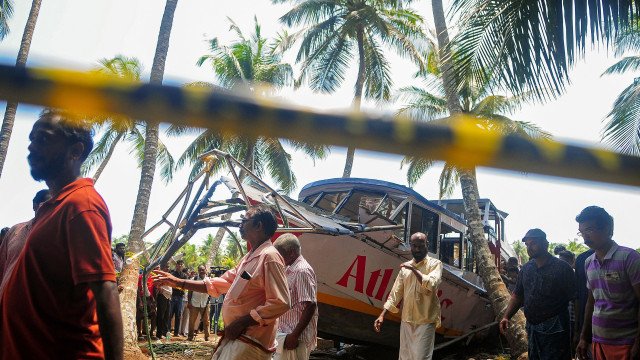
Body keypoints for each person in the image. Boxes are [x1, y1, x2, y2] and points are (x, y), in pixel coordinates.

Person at [0, 110, 123, 359]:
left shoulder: (81, 205)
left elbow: (106, 291)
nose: (32, 147)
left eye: (43, 139)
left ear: (75, 151)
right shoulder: (52, 208)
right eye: (31, 139)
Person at [153, 205, 290, 360]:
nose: (240, 224)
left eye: (244, 220)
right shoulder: (249, 258)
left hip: (250, 341)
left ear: (258, 225)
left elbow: (281, 302)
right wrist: (177, 282)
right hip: (239, 339)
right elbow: (221, 282)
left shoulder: (270, 257)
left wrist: (240, 324)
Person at [575, 206, 640, 360]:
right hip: (599, 341)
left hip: (627, 342)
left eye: (589, 230)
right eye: (581, 232)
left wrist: (638, 342)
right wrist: (584, 337)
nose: (585, 238)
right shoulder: (588, 262)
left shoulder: (630, 258)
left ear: (607, 228)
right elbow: (591, 303)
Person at [500, 228, 575, 360]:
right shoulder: (526, 269)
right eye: (527, 244)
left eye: (533, 243)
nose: (529, 247)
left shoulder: (563, 268)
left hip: (556, 329)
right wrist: (506, 316)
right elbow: (517, 295)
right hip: (532, 327)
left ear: (546, 244)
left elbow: (576, 299)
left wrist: (579, 331)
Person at [374, 232, 443, 360]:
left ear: (427, 245)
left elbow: (432, 284)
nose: (417, 249)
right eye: (414, 246)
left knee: (421, 358)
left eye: (421, 246)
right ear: (410, 246)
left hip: (426, 321)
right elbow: (395, 293)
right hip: (407, 321)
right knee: (405, 357)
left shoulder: (435, 264)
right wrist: (382, 315)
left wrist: (413, 269)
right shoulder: (405, 268)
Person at [273, 233, 318, 360]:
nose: (277, 258)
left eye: (279, 254)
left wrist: (294, 335)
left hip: (296, 337)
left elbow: (310, 305)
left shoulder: (301, 270)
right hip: (286, 334)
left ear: (291, 253)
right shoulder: (289, 268)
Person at [0, 189, 51, 297]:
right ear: (35, 206)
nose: (49, 209)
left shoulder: (58, 238)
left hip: (34, 307)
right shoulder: (15, 230)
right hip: (5, 301)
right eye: (46, 204)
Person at [574, 247, 595, 350]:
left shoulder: (628, 258)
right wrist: (578, 329)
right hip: (586, 321)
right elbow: (577, 295)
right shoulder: (583, 259)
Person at [188, 265, 211, 341]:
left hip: (205, 303)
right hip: (195, 302)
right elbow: (190, 291)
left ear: (205, 270)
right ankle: (190, 336)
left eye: (203, 269)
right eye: (200, 270)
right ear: (198, 271)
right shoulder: (193, 279)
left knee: (206, 321)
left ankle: (207, 337)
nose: (201, 271)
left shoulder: (209, 280)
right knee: (192, 321)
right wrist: (189, 302)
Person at [170, 259, 188, 336]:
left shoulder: (184, 276)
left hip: (180, 297)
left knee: (178, 315)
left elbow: (185, 286)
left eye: (181, 264)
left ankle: (176, 332)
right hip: (172, 296)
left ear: (182, 266)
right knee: (170, 314)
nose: (180, 265)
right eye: (178, 264)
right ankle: (167, 331)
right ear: (176, 265)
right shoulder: (172, 274)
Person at [136, 271, 157, 340]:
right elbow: (138, 289)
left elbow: (154, 289)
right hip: (141, 298)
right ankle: (140, 333)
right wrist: (140, 302)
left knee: (154, 314)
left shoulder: (152, 277)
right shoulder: (140, 277)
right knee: (139, 315)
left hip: (150, 298)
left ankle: (151, 333)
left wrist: (154, 301)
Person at [155, 263, 173, 339]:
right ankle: (159, 334)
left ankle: (165, 333)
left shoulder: (168, 275)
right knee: (160, 316)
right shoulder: (160, 276)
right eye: (166, 267)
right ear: (163, 268)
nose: (167, 268)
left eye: (168, 267)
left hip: (168, 297)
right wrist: (159, 287)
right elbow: (156, 284)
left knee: (167, 316)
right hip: (162, 296)